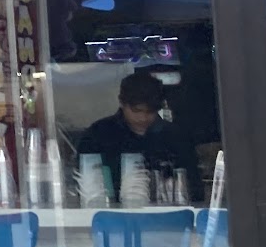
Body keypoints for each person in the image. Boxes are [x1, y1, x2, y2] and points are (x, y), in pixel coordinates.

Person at [77, 69, 201, 202]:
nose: (143, 118)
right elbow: (84, 187)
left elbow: (194, 188)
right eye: (136, 110)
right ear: (122, 103)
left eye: (151, 111)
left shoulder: (175, 137)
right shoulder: (98, 135)